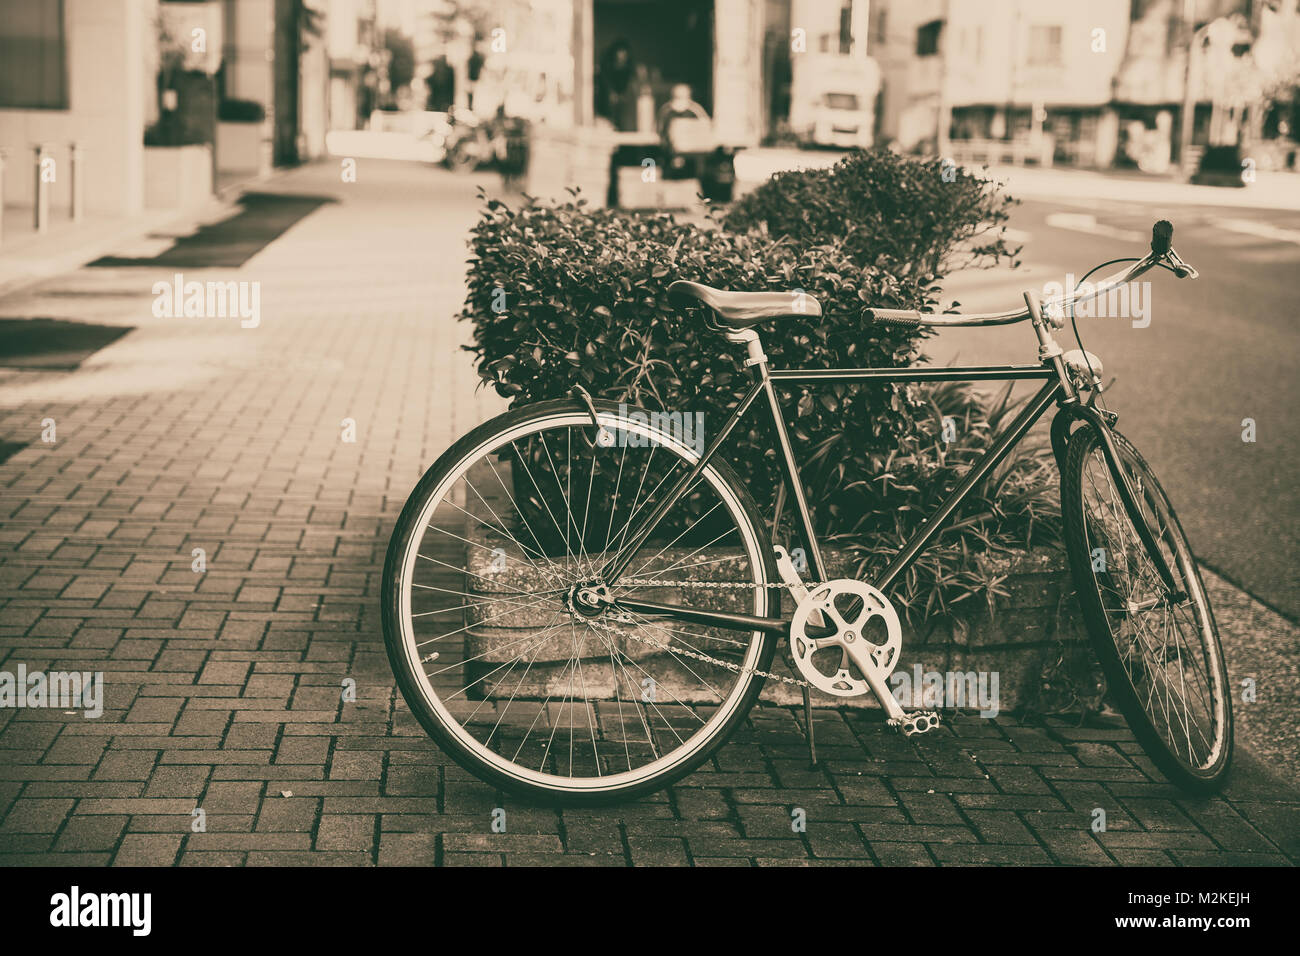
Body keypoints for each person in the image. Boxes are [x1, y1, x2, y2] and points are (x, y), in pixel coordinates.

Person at [596, 39, 637, 131]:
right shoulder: (606, 70)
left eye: (624, 54)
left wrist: (622, 96)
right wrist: (612, 94)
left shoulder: (628, 70)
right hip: (606, 110)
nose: (622, 57)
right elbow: (605, 88)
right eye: (620, 53)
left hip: (623, 106)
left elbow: (629, 87)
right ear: (615, 54)